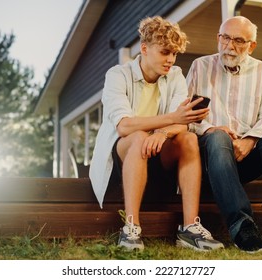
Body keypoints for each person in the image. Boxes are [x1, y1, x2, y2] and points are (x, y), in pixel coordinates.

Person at [89, 16, 224, 251]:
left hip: (160, 153)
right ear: (144, 49)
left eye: (174, 53)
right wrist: (171, 120)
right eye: (165, 52)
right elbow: (124, 126)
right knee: (139, 136)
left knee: (189, 138)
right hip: (124, 156)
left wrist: (162, 132)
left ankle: (190, 228)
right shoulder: (117, 75)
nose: (170, 59)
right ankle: (131, 228)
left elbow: (183, 124)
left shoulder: (175, 76)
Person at [186, 16, 262, 253]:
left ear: (252, 45)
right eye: (225, 37)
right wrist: (211, 128)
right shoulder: (200, 66)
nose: (229, 45)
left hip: (245, 156)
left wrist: (250, 140)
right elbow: (186, 114)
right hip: (211, 157)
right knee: (219, 138)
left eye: (239, 40)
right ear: (218, 38)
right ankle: (242, 227)